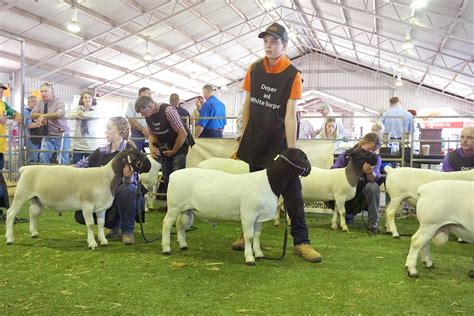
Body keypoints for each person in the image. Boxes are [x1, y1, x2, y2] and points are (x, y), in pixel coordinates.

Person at [235, 22, 322, 262]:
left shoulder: (293, 74)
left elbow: (290, 114)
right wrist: (243, 135)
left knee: (293, 192)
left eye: (274, 42)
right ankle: (246, 235)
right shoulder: (253, 69)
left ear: (284, 45)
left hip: (279, 144)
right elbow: (247, 104)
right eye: (266, 41)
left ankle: (302, 242)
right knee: (252, 192)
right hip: (256, 141)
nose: (268, 46)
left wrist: (291, 151)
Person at [75, 117, 142, 245]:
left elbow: (133, 182)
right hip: (103, 196)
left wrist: (127, 177)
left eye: (109, 128)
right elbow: (79, 167)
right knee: (81, 213)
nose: (106, 132)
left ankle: (127, 231)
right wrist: (62, 171)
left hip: (127, 196)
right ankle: (114, 227)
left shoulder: (130, 153)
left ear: (121, 131)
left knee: (126, 189)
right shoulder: (100, 152)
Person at [135, 96, 190, 204]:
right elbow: (152, 135)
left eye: (143, 112)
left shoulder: (168, 111)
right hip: (166, 146)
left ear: (150, 106)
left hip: (179, 145)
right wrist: (151, 147)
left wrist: (174, 150)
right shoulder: (149, 116)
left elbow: (182, 133)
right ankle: (171, 205)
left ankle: (180, 205)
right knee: (167, 177)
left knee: (177, 177)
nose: (142, 115)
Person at [331, 133, 382, 234]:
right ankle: (347, 215)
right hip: (345, 190)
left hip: (361, 192)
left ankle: (373, 222)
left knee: (373, 187)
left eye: (373, 150)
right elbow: (334, 171)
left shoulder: (375, 159)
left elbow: (375, 177)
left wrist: (370, 173)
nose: (371, 152)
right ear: (362, 143)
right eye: (369, 149)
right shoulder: (347, 155)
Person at [30, 82, 70, 164]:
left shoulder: (59, 101)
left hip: (60, 134)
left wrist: (44, 116)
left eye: (45, 91)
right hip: (47, 134)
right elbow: (32, 114)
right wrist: (42, 116)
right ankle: (45, 175)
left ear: (52, 92)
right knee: (43, 156)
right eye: (41, 91)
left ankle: (64, 176)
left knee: (63, 159)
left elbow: (59, 113)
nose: (43, 93)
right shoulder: (40, 102)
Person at [0, 83, 21, 220]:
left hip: (0, 146)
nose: (1, 92)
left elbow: (13, 113)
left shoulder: (2, 104)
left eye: (2, 91)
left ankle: (4, 209)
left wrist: (16, 115)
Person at [69, 91, 100, 163]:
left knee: (90, 166)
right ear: (82, 99)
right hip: (78, 144)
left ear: (92, 99)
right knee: (76, 165)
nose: (87, 99)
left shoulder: (96, 110)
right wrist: (77, 114)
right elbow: (69, 115)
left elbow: (91, 115)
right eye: (85, 97)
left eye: (89, 97)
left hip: (90, 144)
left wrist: (80, 115)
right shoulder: (78, 108)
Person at [126, 87, 151, 152]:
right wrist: (143, 129)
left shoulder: (151, 103)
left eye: (150, 94)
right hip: (137, 131)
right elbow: (130, 119)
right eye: (148, 93)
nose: (150, 95)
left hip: (151, 130)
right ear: (141, 93)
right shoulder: (132, 103)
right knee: (133, 151)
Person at [24, 95, 42, 163]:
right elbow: (29, 125)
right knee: (33, 158)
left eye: (36, 101)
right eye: (33, 101)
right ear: (28, 102)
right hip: (31, 138)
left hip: (38, 137)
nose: (35, 103)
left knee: (39, 157)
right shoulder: (26, 112)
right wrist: (40, 123)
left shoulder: (37, 112)